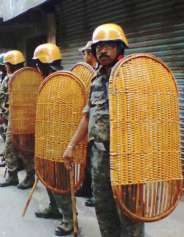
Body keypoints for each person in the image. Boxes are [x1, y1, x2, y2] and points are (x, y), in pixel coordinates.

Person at [63, 23, 145, 237]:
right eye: (98, 46)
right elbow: (87, 116)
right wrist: (71, 146)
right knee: (104, 208)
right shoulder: (96, 78)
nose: (102, 50)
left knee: (130, 211)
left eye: (108, 45)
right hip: (99, 156)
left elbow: (148, 117)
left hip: (128, 156)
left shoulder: (133, 75)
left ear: (120, 47)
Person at [31, 43, 74, 236]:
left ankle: (69, 219)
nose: (37, 68)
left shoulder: (63, 81)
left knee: (60, 181)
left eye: (38, 64)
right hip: (47, 138)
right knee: (47, 177)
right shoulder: (47, 80)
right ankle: (54, 208)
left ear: (43, 63)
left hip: (61, 140)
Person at [0, 50, 35, 189]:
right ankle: (22, 176)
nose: (5, 66)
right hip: (26, 118)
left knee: (13, 147)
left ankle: (20, 176)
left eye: (6, 64)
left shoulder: (10, 78)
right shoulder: (30, 75)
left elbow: (0, 97)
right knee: (24, 148)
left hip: (16, 118)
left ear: (10, 64)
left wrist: (3, 112)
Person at [77, 40, 97, 208]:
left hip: (99, 127)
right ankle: (86, 188)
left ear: (90, 53)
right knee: (87, 159)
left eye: (85, 53)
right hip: (89, 123)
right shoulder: (91, 73)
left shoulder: (100, 72)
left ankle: (97, 194)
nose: (84, 56)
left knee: (96, 162)